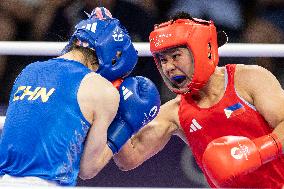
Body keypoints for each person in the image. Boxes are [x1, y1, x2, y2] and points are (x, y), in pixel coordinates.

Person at [113, 12, 284, 188]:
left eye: (175, 56)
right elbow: (128, 159)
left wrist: (256, 152)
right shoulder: (175, 112)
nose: (168, 67)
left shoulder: (249, 79)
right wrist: (114, 112)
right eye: (162, 60)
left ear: (201, 51)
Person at [0, 7, 160, 186]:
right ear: (113, 58)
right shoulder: (102, 90)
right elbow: (88, 168)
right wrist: (124, 127)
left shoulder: (28, 71)